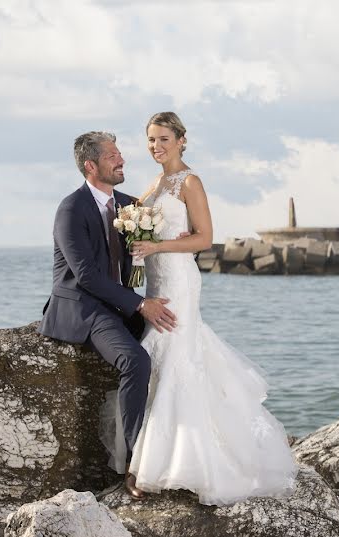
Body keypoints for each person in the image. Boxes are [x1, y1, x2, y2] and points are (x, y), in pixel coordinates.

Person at [100, 112, 298, 506]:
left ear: (182, 140)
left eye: (164, 139)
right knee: (157, 359)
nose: (157, 146)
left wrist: (156, 246)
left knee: (177, 358)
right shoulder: (155, 184)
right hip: (155, 280)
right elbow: (142, 229)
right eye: (151, 140)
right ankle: (149, 456)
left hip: (179, 280)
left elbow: (205, 238)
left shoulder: (190, 182)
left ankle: (168, 465)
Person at [38, 131, 177, 499]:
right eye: (113, 156)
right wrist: (141, 305)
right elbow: (86, 276)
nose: (122, 160)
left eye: (121, 154)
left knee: (180, 349)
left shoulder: (131, 205)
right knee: (136, 361)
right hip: (85, 306)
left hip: (119, 302)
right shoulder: (72, 208)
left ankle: (180, 452)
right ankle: (135, 467)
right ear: (91, 165)